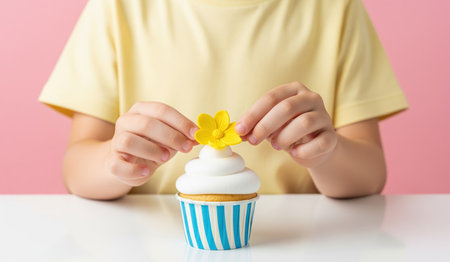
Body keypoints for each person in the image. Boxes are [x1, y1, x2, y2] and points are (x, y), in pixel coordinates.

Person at [39, 0, 408, 200]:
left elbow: (370, 175)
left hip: (301, 258)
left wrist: (328, 154)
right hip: (147, 257)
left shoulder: (337, 9)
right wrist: (114, 162)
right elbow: (76, 168)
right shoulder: (117, 8)